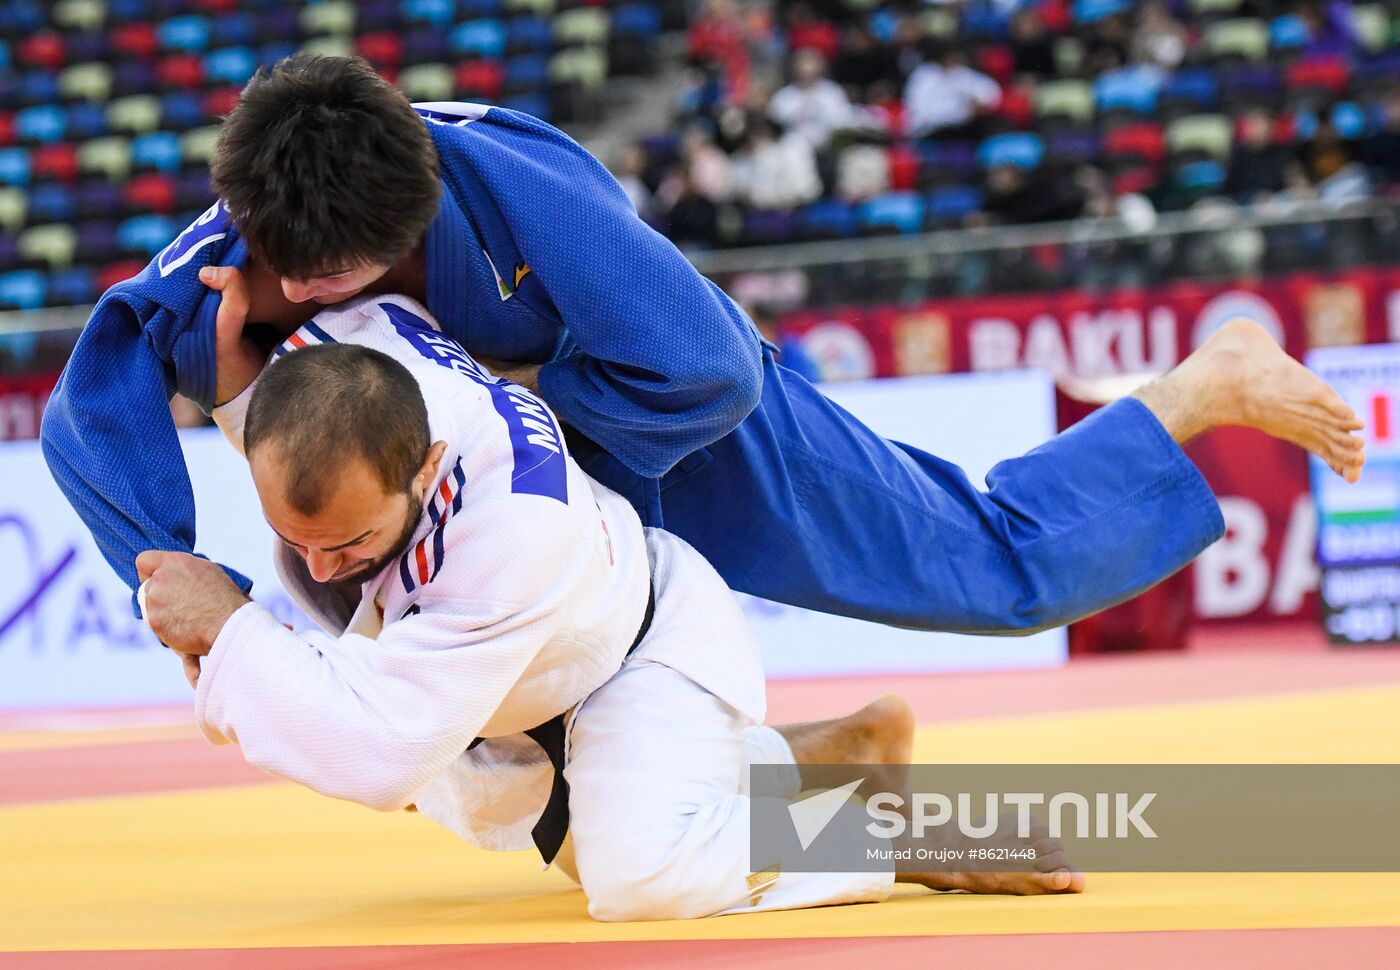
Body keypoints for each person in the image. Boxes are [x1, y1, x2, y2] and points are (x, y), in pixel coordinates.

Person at [42, 54, 1365, 645]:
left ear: (422, 201)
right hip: (522, 484)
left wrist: (515, 401)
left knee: (992, 571)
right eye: (307, 274)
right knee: (515, 746)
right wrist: (178, 573)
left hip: (695, 425)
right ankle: (841, 783)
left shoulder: (512, 191)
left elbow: (709, 373)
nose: (323, 290)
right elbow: (83, 409)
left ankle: (1201, 386)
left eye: (362, 269)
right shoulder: (232, 243)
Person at [136, 295, 1083, 921]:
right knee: (582, 829)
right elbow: (300, 407)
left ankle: (908, 839)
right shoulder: (358, 355)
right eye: (297, 540)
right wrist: (235, 393)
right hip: (525, 697)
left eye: (346, 542)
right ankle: (824, 753)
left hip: (635, 659)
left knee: (640, 877)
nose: (322, 563)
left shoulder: (513, 527)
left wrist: (230, 630)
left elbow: (379, 748)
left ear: (427, 467)